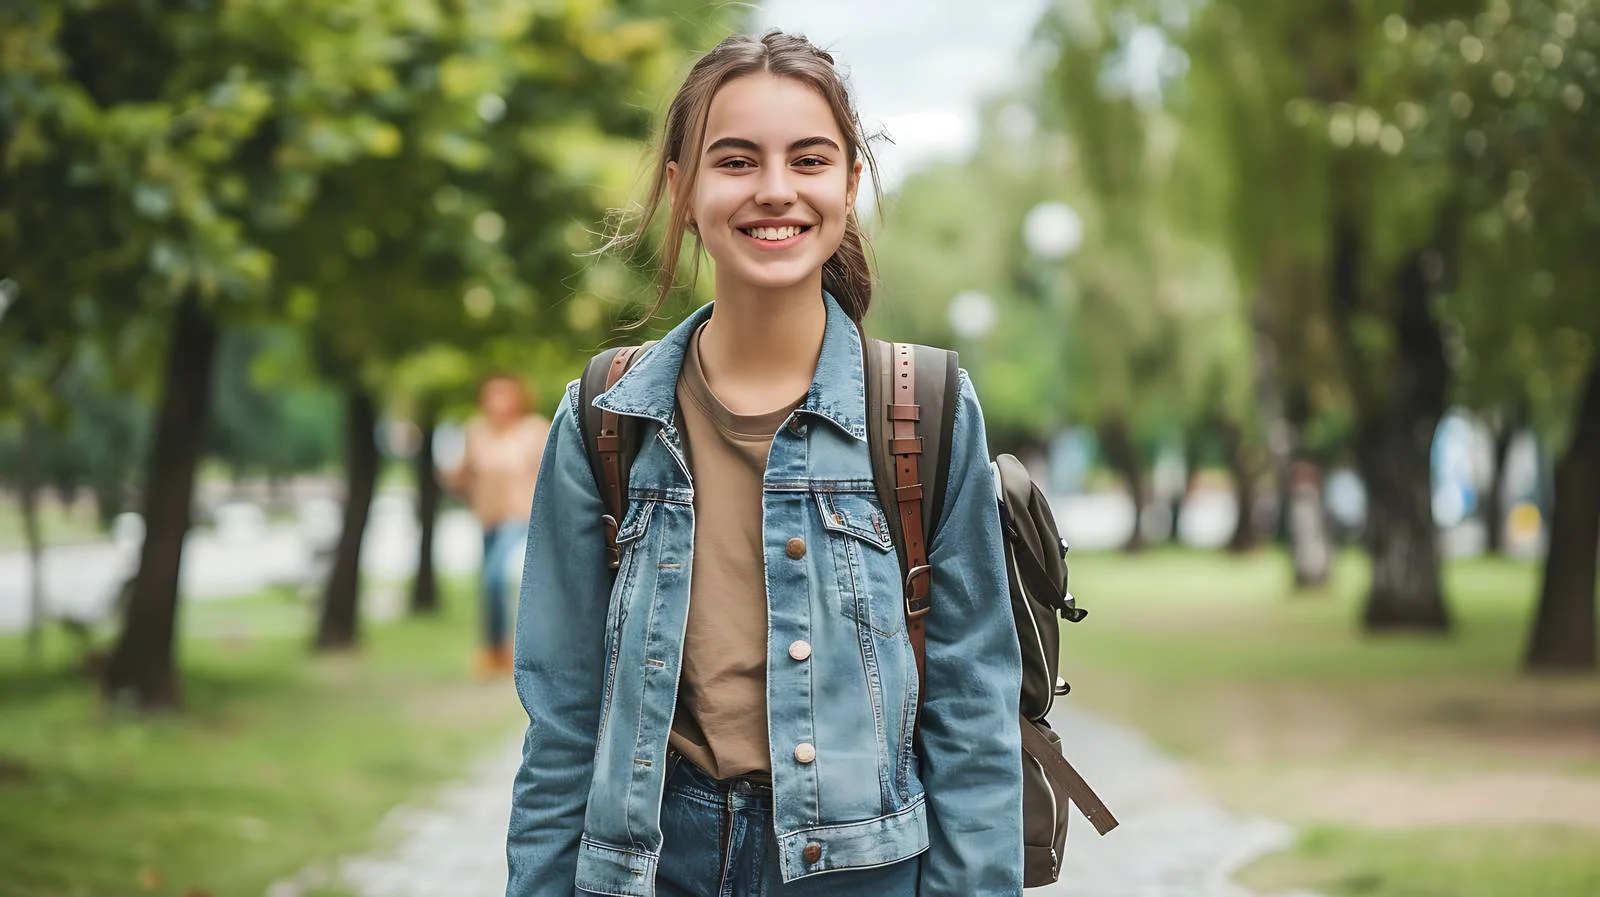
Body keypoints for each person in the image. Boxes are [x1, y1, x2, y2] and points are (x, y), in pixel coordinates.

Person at [506, 30, 1023, 896]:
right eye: (737, 161)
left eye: (809, 159)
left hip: (860, 872)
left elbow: (973, 717)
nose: (775, 189)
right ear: (683, 189)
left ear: (849, 182)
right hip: (651, 864)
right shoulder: (603, 417)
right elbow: (561, 721)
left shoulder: (922, 406)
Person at [444, 372, 550, 677]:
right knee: (487, 586)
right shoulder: (475, 430)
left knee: (495, 579)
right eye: (490, 395)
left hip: (521, 518)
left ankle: (506, 648)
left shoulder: (533, 430)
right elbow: (465, 473)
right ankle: (492, 651)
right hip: (487, 519)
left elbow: (549, 473)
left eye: (503, 394)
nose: (496, 402)